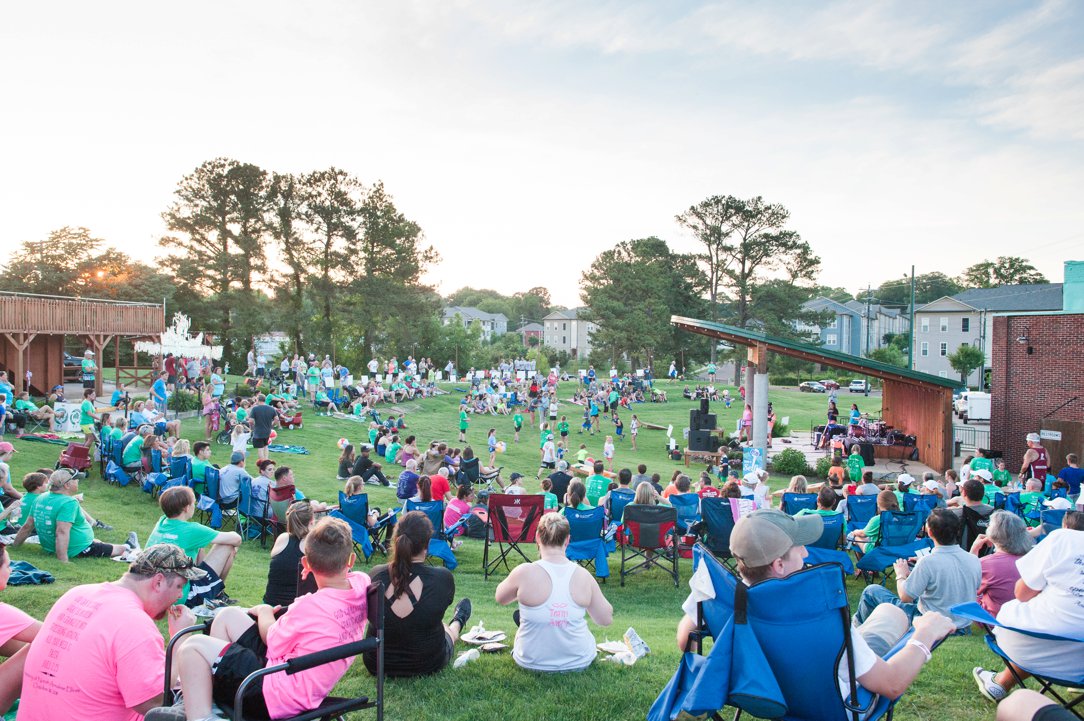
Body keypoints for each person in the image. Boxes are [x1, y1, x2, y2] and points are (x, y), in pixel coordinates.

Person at [674, 509, 956, 704]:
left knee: (878, 617)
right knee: (891, 613)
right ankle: (869, 629)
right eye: (799, 547)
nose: (806, 552)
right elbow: (891, 684)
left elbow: (686, 638)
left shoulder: (722, 595)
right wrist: (925, 635)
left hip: (765, 690)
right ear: (779, 564)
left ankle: (859, 630)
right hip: (836, 699)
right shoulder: (817, 614)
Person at [147, 518, 370, 721]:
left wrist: (264, 613)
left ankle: (201, 716)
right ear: (351, 560)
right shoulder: (361, 583)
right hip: (295, 675)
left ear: (306, 564)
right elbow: (354, 577)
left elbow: (272, 640)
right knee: (227, 616)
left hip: (275, 694)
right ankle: (208, 702)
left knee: (192, 647)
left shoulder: (309, 606)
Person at [19, 545, 205, 721]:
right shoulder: (133, 622)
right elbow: (155, 703)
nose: (180, 595)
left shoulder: (77, 593)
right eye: (180, 586)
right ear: (158, 582)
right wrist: (180, 638)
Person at [972, 516, 1084, 703]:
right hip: (1079, 665)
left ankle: (1001, 682)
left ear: (1066, 524)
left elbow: (1022, 593)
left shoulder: (1062, 538)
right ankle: (1001, 683)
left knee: (1037, 621)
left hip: (1030, 646)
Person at [495, 513, 613, 672]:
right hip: (578, 661)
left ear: (537, 538)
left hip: (530, 661)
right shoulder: (583, 575)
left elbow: (500, 597)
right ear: (568, 540)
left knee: (527, 614)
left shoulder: (523, 572)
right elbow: (605, 618)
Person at [363, 511, 472, 678]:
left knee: (429, 620)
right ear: (427, 544)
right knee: (447, 630)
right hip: (427, 662)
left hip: (376, 662)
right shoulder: (442, 578)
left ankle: (455, 622)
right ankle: (458, 621)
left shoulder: (375, 575)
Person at [854, 509, 982, 631]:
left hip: (930, 621)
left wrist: (901, 574)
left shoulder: (928, 562)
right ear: (958, 530)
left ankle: (858, 631)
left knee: (871, 591)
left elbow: (905, 597)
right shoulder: (973, 559)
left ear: (930, 532)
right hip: (963, 624)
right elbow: (963, 583)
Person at [13, 469, 138, 561]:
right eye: (76, 479)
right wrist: (63, 559)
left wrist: (15, 546)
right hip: (77, 548)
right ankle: (128, 547)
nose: (78, 481)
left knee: (98, 542)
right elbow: (61, 532)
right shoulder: (69, 502)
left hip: (51, 546)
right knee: (120, 550)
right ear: (67, 485)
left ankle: (119, 545)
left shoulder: (41, 497)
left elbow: (27, 526)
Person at [147, 486, 242, 607]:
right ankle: (217, 593)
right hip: (181, 596)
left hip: (156, 591)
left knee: (199, 544)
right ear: (187, 508)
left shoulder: (161, 522)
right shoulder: (191, 529)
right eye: (193, 503)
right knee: (229, 545)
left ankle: (209, 585)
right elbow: (237, 539)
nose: (194, 506)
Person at [970, 510, 1034, 616]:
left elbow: (967, 588)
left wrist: (973, 553)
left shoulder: (986, 563)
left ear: (992, 534)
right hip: (1026, 616)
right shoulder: (1032, 559)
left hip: (996, 619)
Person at [264, 500, 318, 607]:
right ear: (311, 521)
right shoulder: (313, 544)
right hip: (296, 609)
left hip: (270, 604)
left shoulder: (282, 539)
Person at [248, 395, 278, 462]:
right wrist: (271, 425)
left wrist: (253, 425)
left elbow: (250, 421)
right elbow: (276, 419)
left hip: (258, 430)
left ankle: (263, 462)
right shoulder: (271, 408)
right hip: (267, 430)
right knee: (266, 445)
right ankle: (266, 460)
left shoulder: (255, 409)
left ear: (258, 400)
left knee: (260, 447)